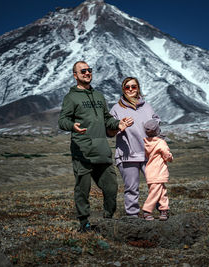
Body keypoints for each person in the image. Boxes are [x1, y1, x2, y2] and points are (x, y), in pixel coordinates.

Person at [58, 61, 133, 232]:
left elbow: (107, 119)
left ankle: (108, 220)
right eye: (82, 71)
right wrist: (72, 126)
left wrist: (118, 124)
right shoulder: (71, 98)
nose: (87, 73)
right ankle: (84, 223)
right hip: (82, 151)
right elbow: (62, 120)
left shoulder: (99, 96)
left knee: (111, 187)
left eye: (89, 70)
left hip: (102, 150)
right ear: (75, 75)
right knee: (83, 190)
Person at [108, 77, 159, 217]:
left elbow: (156, 122)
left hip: (148, 153)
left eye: (133, 87)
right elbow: (109, 132)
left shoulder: (147, 106)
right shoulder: (116, 109)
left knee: (156, 184)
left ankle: (162, 212)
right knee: (131, 188)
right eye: (127, 87)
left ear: (138, 88)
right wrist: (120, 126)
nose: (130, 89)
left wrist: (154, 126)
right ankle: (132, 217)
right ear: (123, 89)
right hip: (127, 155)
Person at [142, 119, 173, 221]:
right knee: (155, 192)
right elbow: (166, 154)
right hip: (158, 171)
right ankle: (147, 211)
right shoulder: (161, 143)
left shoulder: (147, 143)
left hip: (150, 171)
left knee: (162, 191)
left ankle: (164, 210)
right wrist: (170, 158)